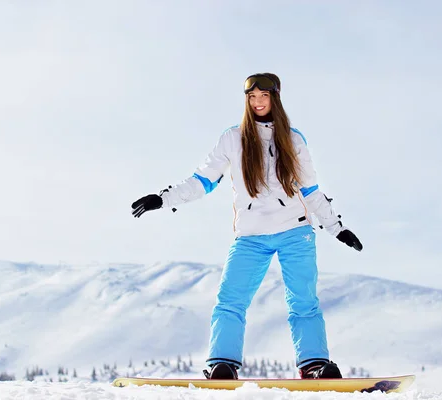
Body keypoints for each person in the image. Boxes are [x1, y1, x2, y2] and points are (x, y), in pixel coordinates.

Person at [131, 73, 363, 380]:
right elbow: (203, 180)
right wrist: (163, 198)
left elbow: (310, 190)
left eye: (263, 97)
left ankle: (314, 365)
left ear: (275, 99)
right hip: (251, 235)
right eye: (252, 98)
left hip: (295, 231)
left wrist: (336, 228)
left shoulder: (293, 140)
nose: (257, 103)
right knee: (231, 299)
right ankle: (222, 364)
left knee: (303, 299)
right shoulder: (233, 138)